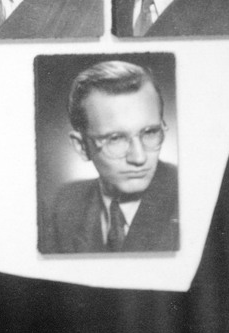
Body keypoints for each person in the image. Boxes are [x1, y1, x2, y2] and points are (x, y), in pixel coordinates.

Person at [39, 60, 180, 254]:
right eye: (115, 139)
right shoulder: (62, 206)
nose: (139, 158)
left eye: (150, 132)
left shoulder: (189, 198)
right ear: (82, 147)